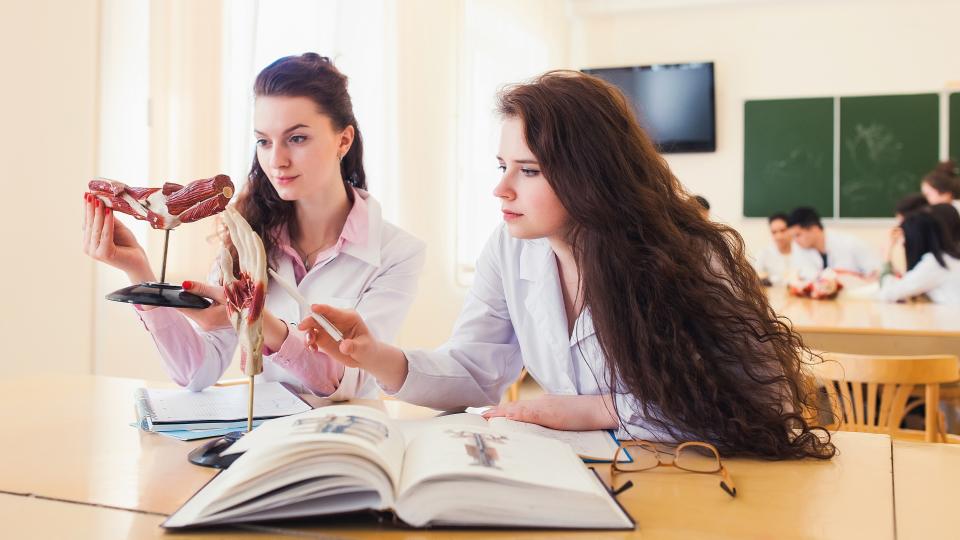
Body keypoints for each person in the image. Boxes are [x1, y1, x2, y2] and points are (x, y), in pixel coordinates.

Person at [300, 71, 834, 459]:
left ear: (591, 176)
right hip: (588, 477)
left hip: (702, 485)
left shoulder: (688, 257)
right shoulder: (510, 249)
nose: (501, 188)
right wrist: (375, 357)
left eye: (528, 170)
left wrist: (598, 410)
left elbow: (756, 405)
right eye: (502, 165)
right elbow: (476, 369)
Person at [81, 53, 425, 398]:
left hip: (341, 438)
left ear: (343, 140)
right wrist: (140, 275)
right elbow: (196, 373)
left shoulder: (396, 253)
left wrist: (254, 319)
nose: (277, 161)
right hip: (260, 439)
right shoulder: (247, 235)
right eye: (264, 141)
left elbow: (347, 381)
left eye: (297, 138)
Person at [878, 211, 960, 304]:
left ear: (915, 238)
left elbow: (888, 294)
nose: (902, 243)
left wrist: (887, 254)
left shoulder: (934, 263)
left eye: (905, 237)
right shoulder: (948, 258)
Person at [787, 206, 881, 277]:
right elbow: (802, 276)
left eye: (798, 235)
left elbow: (876, 273)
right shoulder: (799, 248)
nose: (795, 240)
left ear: (814, 228)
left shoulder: (851, 243)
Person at [753, 212, 794, 285]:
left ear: (791, 229)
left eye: (783, 230)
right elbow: (755, 278)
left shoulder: (804, 252)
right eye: (774, 232)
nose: (779, 236)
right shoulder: (764, 253)